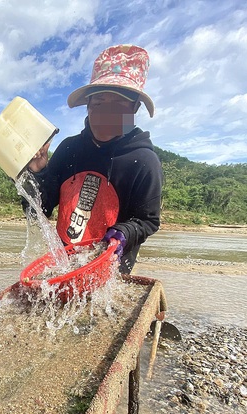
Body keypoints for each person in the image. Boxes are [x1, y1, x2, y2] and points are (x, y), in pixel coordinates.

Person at [26, 44, 163, 274]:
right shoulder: (69, 149)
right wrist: (37, 173)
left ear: (134, 108)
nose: (107, 113)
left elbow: (148, 221)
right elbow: (38, 210)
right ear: (88, 105)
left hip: (113, 274)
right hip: (65, 267)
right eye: (99, 103)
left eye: (119, 105)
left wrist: (124, 233)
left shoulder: (145, 161)